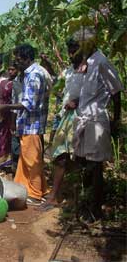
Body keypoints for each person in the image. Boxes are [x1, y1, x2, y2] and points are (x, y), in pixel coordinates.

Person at [72, 27, 123, 220]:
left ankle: (96, 209)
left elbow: (116, 92)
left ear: (91, 43)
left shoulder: (102, 62)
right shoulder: (87, 62)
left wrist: (116, 120)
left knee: (95, 166)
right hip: (84, 117)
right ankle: (84, 203)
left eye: (82, 44)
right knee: (83, 161)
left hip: (96, 120)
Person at [0, 44, 49, 205]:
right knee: (26, 160)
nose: (17, 63)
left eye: (19, 59)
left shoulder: (34, 75)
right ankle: (31, 189)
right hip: (27, 125)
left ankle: (36, 194)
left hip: (33, 125)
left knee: (32, 162)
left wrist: (5, 107)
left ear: (27, 58)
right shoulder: (29, 74)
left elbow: (29, 103)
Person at [38, 38, 84, 210]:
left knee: (75, 158)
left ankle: (73, 198)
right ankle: (56, 195)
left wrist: (78, 101)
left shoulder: (90, 71)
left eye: (75, 51)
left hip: (81, 118)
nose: (72, 55)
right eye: (70, 51)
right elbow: (58, 82)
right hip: (66, 117)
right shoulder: (70, 71)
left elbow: (100, 92)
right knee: (60, 156)